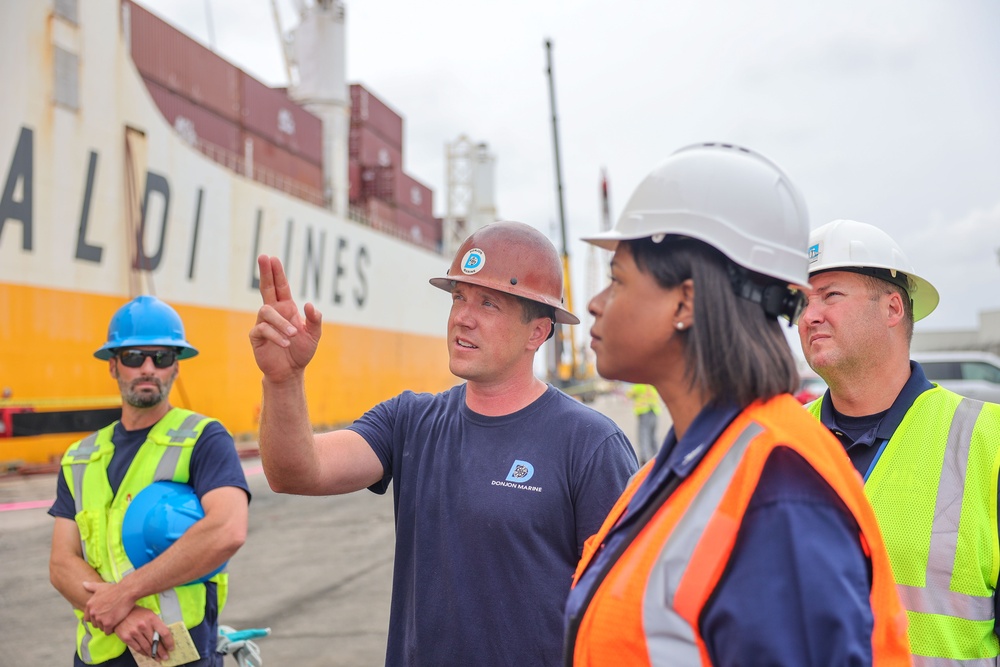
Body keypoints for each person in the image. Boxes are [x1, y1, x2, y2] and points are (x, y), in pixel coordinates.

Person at [563, 143, 912, 665]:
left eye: (617, 280)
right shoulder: (679, 468)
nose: (594, 303)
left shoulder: (779, 493)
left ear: (685, 301)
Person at [249, 220, 638, 666]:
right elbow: (295, 472)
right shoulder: (410, 421)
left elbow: (624, 607)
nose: (462, 318)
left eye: (488, 303)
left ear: (538, 332)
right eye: (458, 298)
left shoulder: (589, 444)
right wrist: (283, 380)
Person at [799, 218, 1000, 664]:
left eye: (830, 295)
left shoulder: (989, 441)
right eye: (802, 301)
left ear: (893, 309)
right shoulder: (780, 442)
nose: (809, 316)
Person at [49, 295, 250, 667]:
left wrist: (125, 594)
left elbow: (227, 529)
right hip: (99, 654)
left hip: (177, 656)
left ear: (175, 367)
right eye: (133, 357)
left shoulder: (203, 438)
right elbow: (62, 561)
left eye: (160, 358)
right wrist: (123, 614)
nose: (147, 368)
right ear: (113, 366)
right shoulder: (80, 457)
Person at [626, 383, 662, 464]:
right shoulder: (652, 384)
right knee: (652, 436)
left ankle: (644, 457)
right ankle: (657, 456)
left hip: (644, 412)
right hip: (654, 411)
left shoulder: (639, 384)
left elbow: (630, 393)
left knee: (643, 435)